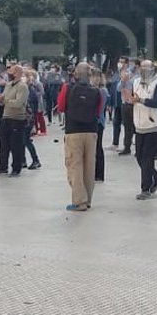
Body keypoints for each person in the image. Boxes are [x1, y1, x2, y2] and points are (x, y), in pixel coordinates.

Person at [56, 62, 104, 210]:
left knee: (75, 165)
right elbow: (99, 111)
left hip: (73, 131)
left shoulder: (67, 88)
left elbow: (61, 106)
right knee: (89, 166)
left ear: (75, 74)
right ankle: (88, 199)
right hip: (91, 131)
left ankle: (79, 201)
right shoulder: (97, 91)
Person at [131, 59, 157, 200]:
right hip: (139, 124)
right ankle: (156, 177)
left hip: (153, 126)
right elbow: (135, 97)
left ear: (152, 68)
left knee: (147, 158)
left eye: (147, 67)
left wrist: (141, 100)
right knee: (139, 157)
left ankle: (145, 188)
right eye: (142, 67)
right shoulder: (136, 82)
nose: (143, 70)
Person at [0, 64, 29, 176]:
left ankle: (16, 168)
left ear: (17, 73)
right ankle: (2, 167)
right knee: (3, 145)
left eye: (11, 71)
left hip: (17, 119)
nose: (9, 73)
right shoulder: (8, 85)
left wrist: (5, 100)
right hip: (6, 117)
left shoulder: (22, 87)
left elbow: (18, 103)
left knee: (15, 145)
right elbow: (4, 101)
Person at [22, 69, 43, 170]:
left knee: (26, 140)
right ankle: (23, 160)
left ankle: (35, 160)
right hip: (23, 118)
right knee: (23, 140)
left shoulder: (30, 90)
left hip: (28, 120)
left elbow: (32, 107)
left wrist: (34, 123)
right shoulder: (26, 89)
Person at [117, 59, 137, 156]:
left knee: (136, 126)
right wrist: (123, 81)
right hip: (125, 103)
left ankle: (139, 147)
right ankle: (127, 147)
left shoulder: (137, 76)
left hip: (135, 104)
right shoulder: (123, 75)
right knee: (127, 126)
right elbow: (118, 89)